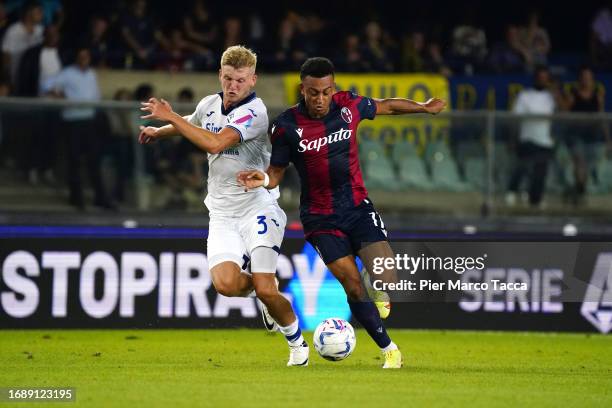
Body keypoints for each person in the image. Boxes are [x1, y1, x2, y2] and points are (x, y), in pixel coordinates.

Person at [237, 57, 446, 368]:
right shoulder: (286, 126)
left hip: (357, 208)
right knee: (351, 283)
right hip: (320, 218)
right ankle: (390, 350)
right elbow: (277, 170)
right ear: (302, 89)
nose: (320, 99)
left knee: (387, 276)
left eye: (325, 92)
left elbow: (386, 106)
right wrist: (264, 179)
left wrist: (424, 106)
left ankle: (376, 281)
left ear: (333, 88)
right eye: (313, 92)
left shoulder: (348, 106)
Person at [138, 45, 308, 366]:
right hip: (222, 212)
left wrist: (169, 115)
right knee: (226, 285)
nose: (233, 86)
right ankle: (262, 296)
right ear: (220, 74)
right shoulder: (209, 104)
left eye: (240, 80)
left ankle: (297, 345)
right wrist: (158, 131)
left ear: (253, 80)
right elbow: (191, 121)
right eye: (228, 78)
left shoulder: (254, 113)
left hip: (258, 207)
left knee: (266, 284)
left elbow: (214, 141)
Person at [42, 47, 113, 210]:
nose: (84, 59)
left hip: (89, 121)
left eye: (86, 56)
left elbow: (96, 96)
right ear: (76, 58)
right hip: (72, 122)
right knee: (74, 161)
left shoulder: (91, 74)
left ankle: (100, 197)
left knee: (94, 161)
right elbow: (46, 85)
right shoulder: (67, 73)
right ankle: (76, 198)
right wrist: (58, 95)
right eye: (81, 56)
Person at [506, 66, 563, 208]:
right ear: (535, 79)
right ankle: (512, 192)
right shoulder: (525, 95)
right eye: (540, 78)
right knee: (522, 167)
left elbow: (564, 111)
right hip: (527, 138)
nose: (542, 80)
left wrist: (556, 93)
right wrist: (513, 139)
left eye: (545, 78)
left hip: (545, 140)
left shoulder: (551, 97)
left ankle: (535, 200)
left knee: (540, 173)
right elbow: (515, 119)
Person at [564, 66, 609, 205]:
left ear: (593, 80)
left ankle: (580, 189)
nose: (586, 80)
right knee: (579, 162)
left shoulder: (598, 95)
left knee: (588, 166)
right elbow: (565, 113)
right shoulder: (573, 93)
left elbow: (601, 117)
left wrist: (608, 139)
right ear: (579, 79)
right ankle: (579, 192)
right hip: (575, 135)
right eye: (583, 77)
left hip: (592, 136)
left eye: (588, 78)